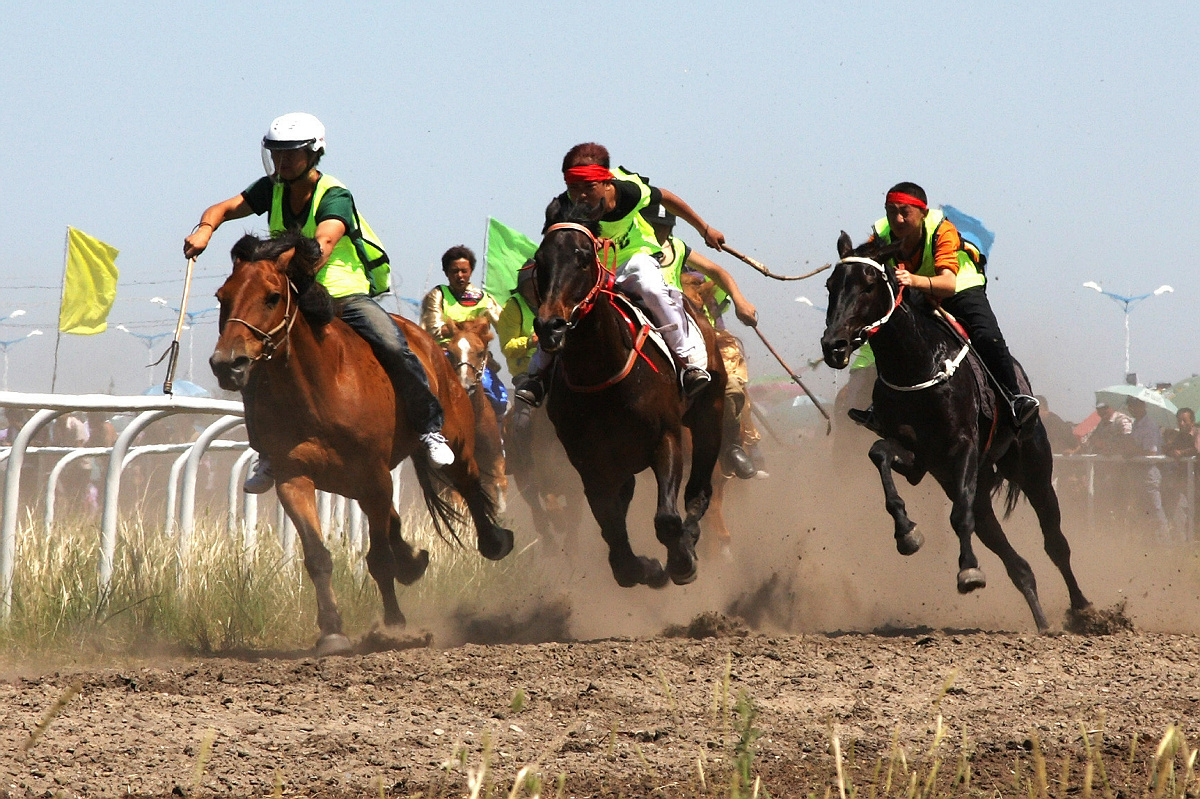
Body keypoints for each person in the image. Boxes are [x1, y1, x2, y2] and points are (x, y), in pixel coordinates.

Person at [183, 112, 454, 492]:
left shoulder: (336, 195)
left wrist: (277, 265)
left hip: (343, 292)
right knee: (251, 358)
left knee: (393, 343)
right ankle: (268, 453)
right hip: (292, 294)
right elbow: (223, 209)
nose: (282, 163)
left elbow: (322, 246)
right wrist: (205, 230)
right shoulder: (271, 187)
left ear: (313, 155)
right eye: (277, 154)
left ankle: (429, 428)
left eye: (291, 154)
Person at [513, 142, 726, 406]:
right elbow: (557, 245)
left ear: (606, 182)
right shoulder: (562, 206)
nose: (580, 196)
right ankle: (537, 377)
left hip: (633, 257)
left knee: (651, 289)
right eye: (573, 188)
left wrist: (705, 229)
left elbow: (669, 198)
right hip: (592, 264)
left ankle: (689, 364)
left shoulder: (629, 192)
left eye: (588, 187)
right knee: (557, 308)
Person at [848, 183, 1040, 432]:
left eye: (905, 212)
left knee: (987, 336)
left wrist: (913, 280)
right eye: (891, 211)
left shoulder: (942, 230)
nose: (897, 219)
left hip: (959, 286)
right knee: (890, 336)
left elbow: (948, 284)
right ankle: (881, 407)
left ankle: (1015, 399)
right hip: (916, 289)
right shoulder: (881, 234)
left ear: (923, 213)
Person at [640, 202, 762, 479]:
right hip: (646, 329)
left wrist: (741, 301)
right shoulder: (631, 248)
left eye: (664, 228)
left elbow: (719, 272)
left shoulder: (679, 249)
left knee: (730, 387)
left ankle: (731, 446)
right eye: (653, 228)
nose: (659, 234)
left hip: (687, 330)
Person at [420, 246, 507, 420]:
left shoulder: (483, 299)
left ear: (471, 272)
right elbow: (434, 330)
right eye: (454, 271)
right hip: (444, 355)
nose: (460, 275)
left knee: (499, 400)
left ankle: (498, 439)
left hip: (475, 358)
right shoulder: (438, 296)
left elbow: (504, 325)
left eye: (464, 271)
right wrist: (470, 327)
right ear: (446, 272)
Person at [1126, 397, 1170, 539]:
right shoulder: (1136, 424)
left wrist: (1132, 451)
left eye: (1134, 405)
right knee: (1142, 508)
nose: (1132, 409)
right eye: (1130, 406)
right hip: (1139, 471)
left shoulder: (1149, 424)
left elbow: (1151, 450)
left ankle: (1165, 540)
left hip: (1149, 470)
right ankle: (1151, 539)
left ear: (1142, 405)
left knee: (1155, 507)